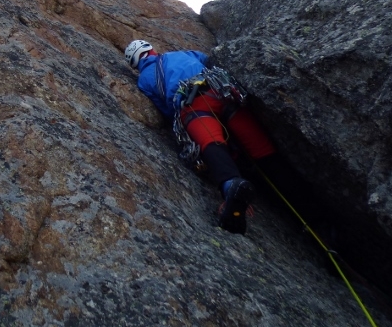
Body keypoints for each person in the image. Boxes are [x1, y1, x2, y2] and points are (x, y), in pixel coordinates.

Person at [125, 39, 317, 235]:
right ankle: (310, 208)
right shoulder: (184, 54)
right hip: (222, 93)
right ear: (152, 50)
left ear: (136, 64)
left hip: (194, 106)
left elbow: (166, 111)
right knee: (263, 151)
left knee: (212, 144)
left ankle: (232, 186)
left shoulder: (144, 79)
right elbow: (209, 60)